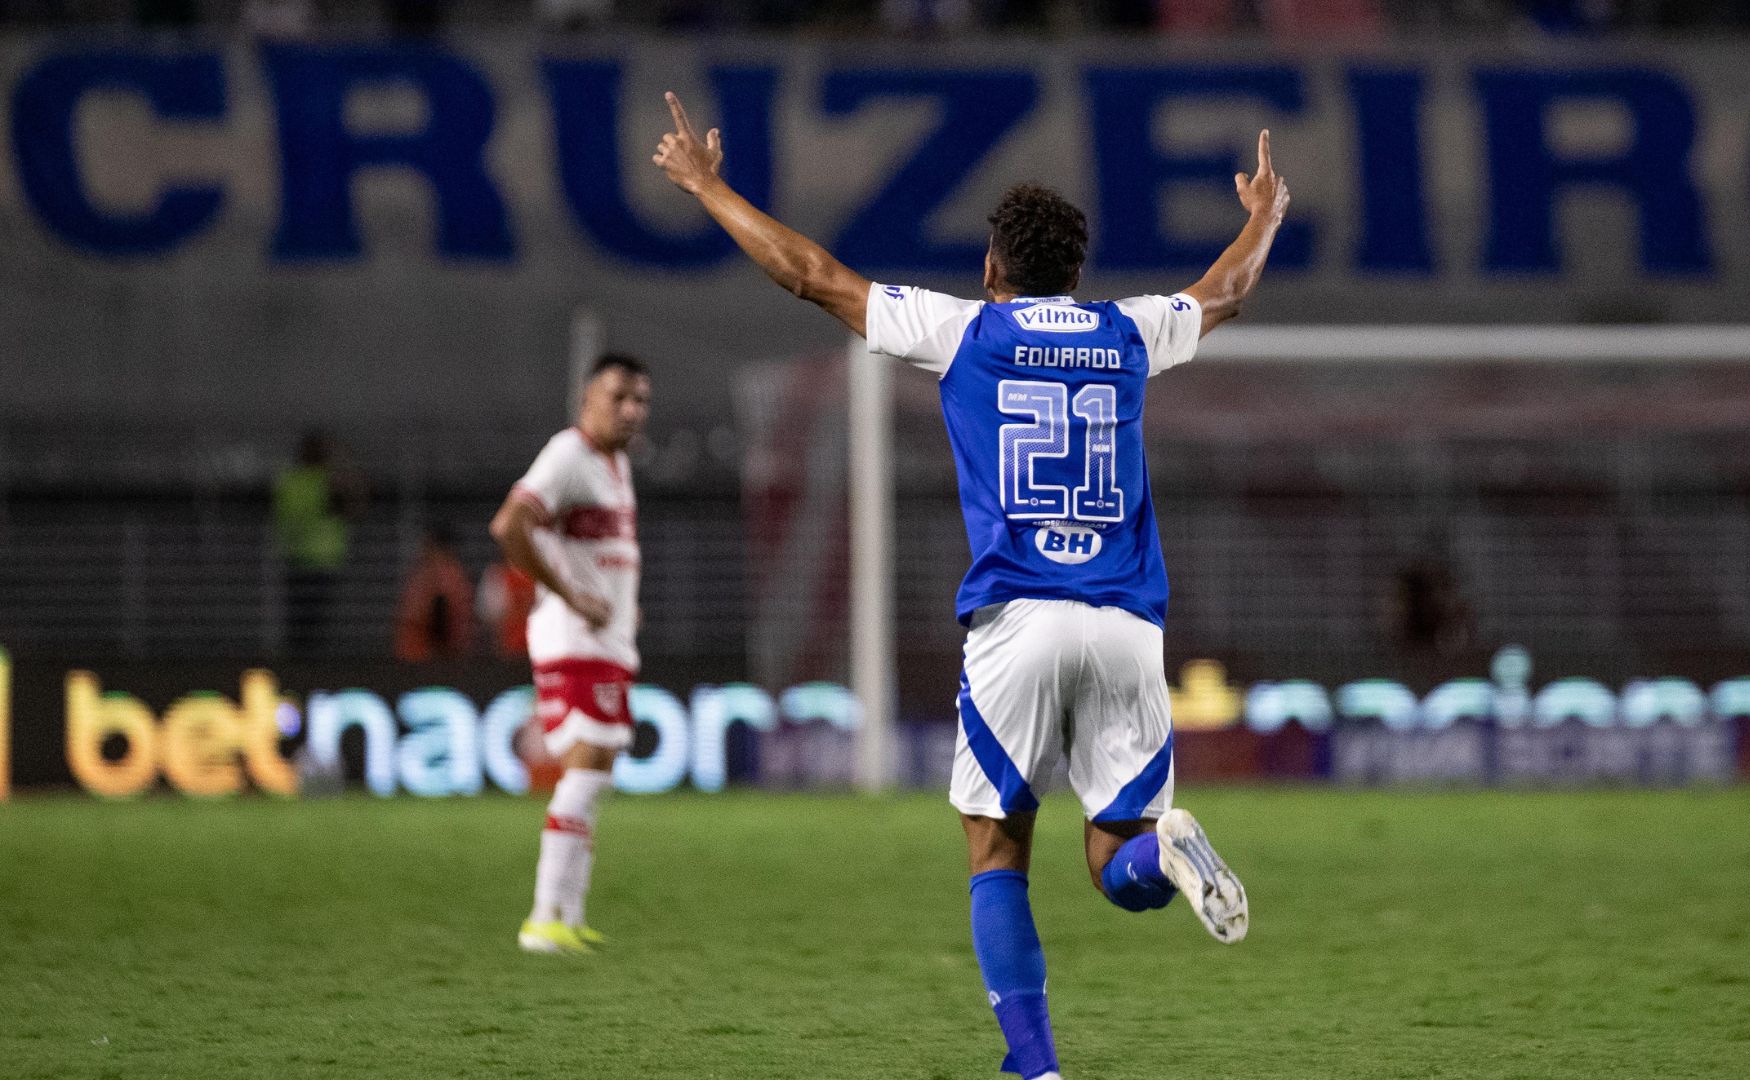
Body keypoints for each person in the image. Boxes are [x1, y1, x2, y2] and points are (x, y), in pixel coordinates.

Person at [653, 91, 1286, 1079]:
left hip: (1018, 620)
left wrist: (707, 187)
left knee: (997, 853)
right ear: (1077, 274)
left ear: (993, 268)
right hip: (1126, 623)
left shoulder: (961, 332)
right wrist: (1265, 215)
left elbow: (810, 275)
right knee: (1112, 865)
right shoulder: (1129, 331)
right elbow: (1226, 291)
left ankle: (1037, 1066)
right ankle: (1163, 854)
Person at [489, 354, 651, 956]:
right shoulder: (568, 455)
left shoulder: (615, 464)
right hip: (575, 641)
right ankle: (541, 919)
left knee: (595, 776)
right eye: (619, 397)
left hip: (606, 641)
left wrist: (623, 603)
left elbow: (601, 552)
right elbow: (509, 526)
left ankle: (570, 917)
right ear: (588, 399)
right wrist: (569, 594)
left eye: (641, 400)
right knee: (583, 775)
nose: (631, 410)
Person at [274, 430, 364, 657]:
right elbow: (350, 506)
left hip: (308, 558)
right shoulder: (326, 481)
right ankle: (307, 661)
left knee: (307, 621)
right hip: (315, 559)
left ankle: (304, 661)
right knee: (310, 621)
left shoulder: (292, 480)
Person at [393, 524, 474, 663]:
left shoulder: (442, 575)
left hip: (427, 656)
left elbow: (441, 616)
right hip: (418, 652)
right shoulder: (445, 573)